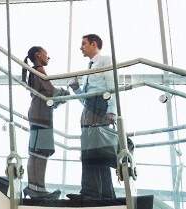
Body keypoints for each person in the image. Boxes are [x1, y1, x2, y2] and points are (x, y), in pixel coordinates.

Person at [67, 34, 117, 200]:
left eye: (83, 44)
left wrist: (112, 110)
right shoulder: (88, 68)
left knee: (97, 151)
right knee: (88, 151)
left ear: (93, 44)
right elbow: (86, 99)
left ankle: (99, 193)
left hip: (100, 108)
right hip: (89, 110)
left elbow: (111, 86)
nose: (81, 47)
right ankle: (90, 191)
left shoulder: (104, 60)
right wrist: (76, 88)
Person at [21, 46, 69, 199]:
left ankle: (33, 187)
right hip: (41, 116)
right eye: (46, 54)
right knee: (42, 151)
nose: (48, 57)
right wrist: (65, 93)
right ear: (38, 54)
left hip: (37, 114)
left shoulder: (34, 72)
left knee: (36, 152)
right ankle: (38, 190)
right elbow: (52, 94)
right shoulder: (40, 71)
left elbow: (47, 96)